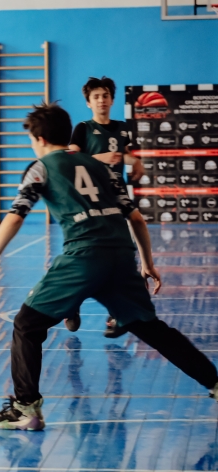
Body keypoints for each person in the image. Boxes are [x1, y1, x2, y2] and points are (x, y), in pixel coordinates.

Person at [0, 102, 218, 431]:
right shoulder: (102, 167)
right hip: (121, 256)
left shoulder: (40, 167)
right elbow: (136, 218)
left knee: (27, 325)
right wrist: (147, 263)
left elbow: (16, 216)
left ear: (40, 139)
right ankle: (214, 382)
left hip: (84, 256)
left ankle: (25, 407)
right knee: (152, 329)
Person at [67, 76, 145, 336]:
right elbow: (70, 158)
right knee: (87, 254)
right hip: (89, 199)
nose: (101, 100)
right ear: (88, 102)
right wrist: (99, 157)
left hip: (116, 196)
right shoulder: (83, 128)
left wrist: (136, 162)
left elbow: (128, 156)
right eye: (96, 96)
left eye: (105, 96)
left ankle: (116, 313)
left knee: (122, 253)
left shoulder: (122, 128)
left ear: (112, 100)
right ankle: (72, 302)